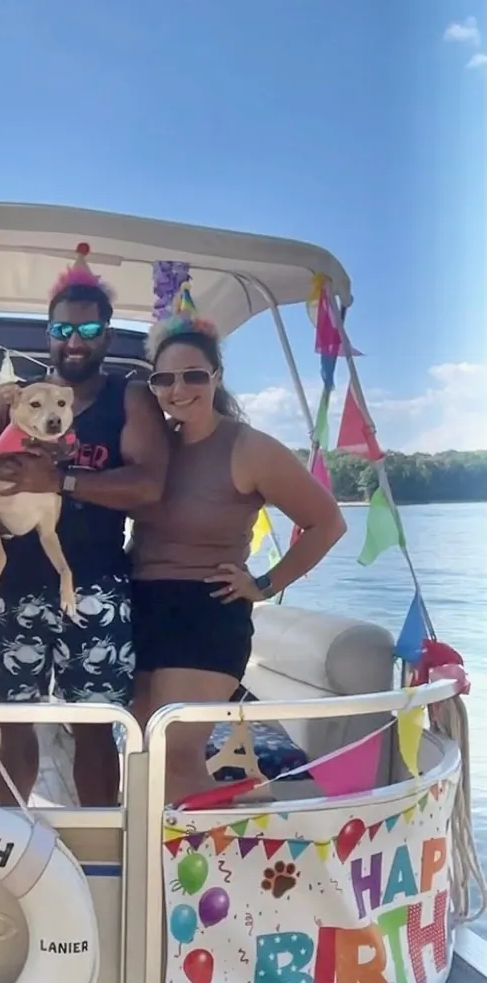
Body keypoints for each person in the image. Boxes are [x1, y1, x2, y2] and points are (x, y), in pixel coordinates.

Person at [0, 245, 169, 807]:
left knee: (95, 729)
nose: (75, 340)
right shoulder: (16, 398)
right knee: (13, 723)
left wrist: (61, 480)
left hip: (95, 584)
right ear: (47, 334)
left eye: (89, 329)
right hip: (12, 585)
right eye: (62, 329)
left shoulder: (130, 397)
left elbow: (149, 486)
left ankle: (100, 847)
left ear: (108, 335)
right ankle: (10, 837)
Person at [130, 311, 347, 804]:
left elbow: (328, 523)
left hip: (206, 611)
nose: (178, 389)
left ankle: (242, 831)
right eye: (164, 379)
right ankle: (172, 850)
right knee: (142, 753)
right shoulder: (154, 445)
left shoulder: (250, 449)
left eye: (193, 376)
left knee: (174, 755)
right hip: (142, 605)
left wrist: (264, 585)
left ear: (217, 377)